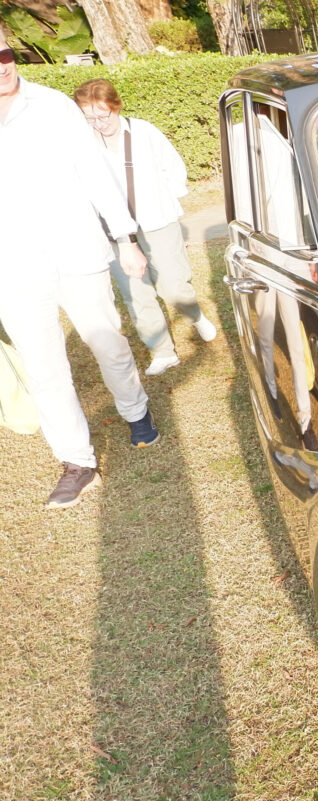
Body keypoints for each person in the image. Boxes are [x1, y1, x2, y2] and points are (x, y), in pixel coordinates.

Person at [0, 37, 160, 509]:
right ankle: (76, 461)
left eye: (5, 54)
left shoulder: (52, 106)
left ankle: (135, 410)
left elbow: (94, 173)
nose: (3, 66)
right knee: (43, 367)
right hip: (13, 266)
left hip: (76, 251)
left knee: (108, 343)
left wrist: (126, 238)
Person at [73, 78, 216, 376]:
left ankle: (194, 314)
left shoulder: (143, 132)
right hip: (114, 232)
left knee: (173, 285)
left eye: (103, 115)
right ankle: (162, 351)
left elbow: (173, 167)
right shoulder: (83, 143)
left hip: (157, 221)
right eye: (90, 118)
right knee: (136, 292)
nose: (99, 124)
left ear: (115, 106)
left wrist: (167, 202)